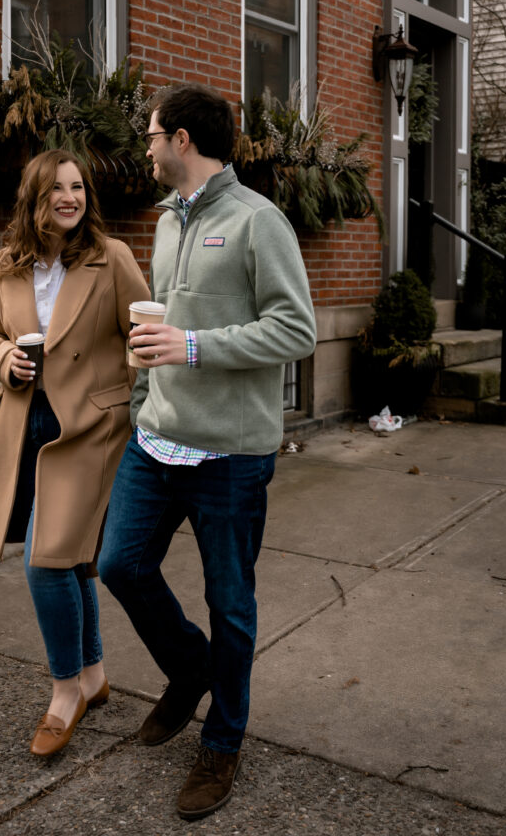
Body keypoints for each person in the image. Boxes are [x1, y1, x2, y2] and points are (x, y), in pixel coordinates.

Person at [98, 84, 316, 820]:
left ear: (183, 140)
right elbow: (158, 332)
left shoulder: (260, 221)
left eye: (154, 134)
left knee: (232, 605)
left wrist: (192, 346)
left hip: (230, 457)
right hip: (156, 440)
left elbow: (296, 331)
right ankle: (190, 672)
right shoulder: (164, 224)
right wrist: (141, 402)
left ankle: (222, 743)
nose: (148, 147)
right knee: (120, 565)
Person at [0, 148, 150, 757]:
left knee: (44, 562)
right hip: (27, 420)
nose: (69, 198)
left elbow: (144, 336)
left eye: (77, 187)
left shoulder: (111, 257)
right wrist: (5, 360)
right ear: (35, 199)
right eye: (56, 190)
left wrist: (117, 396)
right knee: (67, 558)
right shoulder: (9, 263)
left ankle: (64, 690)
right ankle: (94, 676)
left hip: (89, 429)